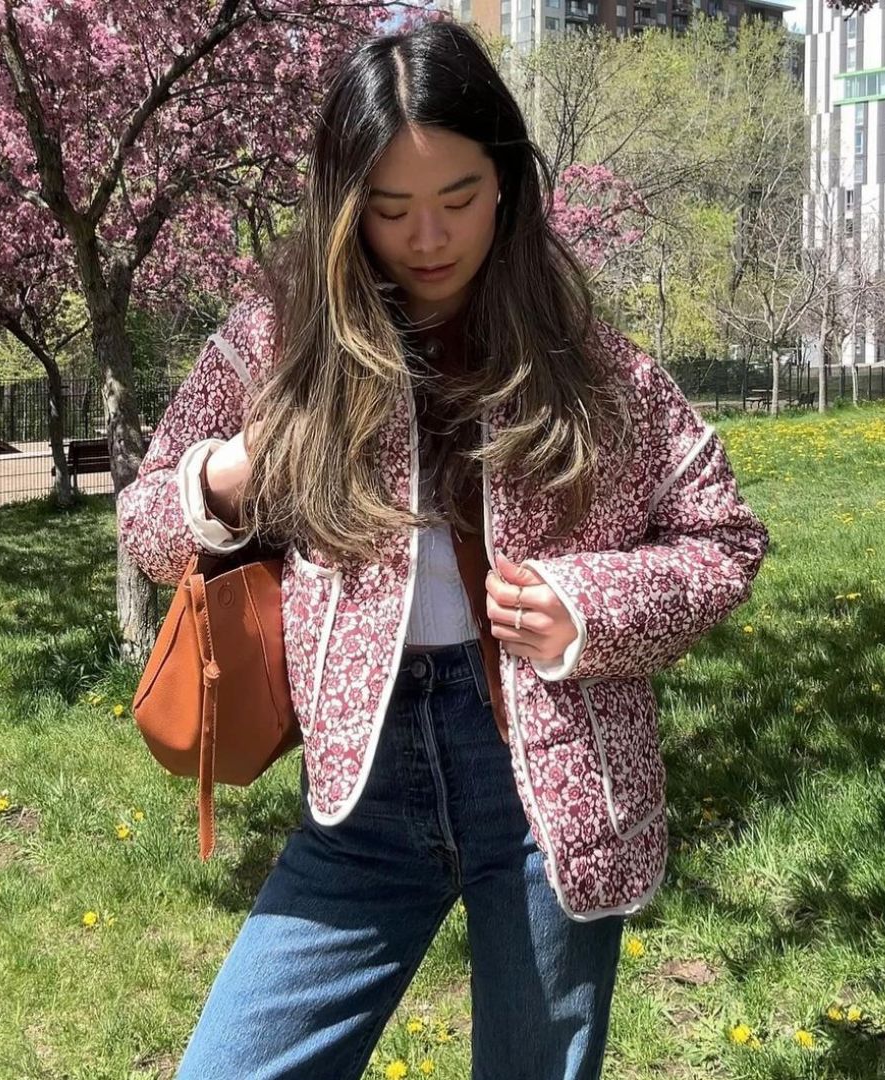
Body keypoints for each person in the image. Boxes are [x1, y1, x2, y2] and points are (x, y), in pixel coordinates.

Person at [116, 19, 769, 1080]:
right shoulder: (279, 342)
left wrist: (588, 605)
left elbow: (724, 537)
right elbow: (146, 524)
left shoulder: (588, 362)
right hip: (361, 787)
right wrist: (229, 474)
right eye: (389, 207)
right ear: (345, 205)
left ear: (504, 181)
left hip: (551, 783)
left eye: (458, 198)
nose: (428, 236)